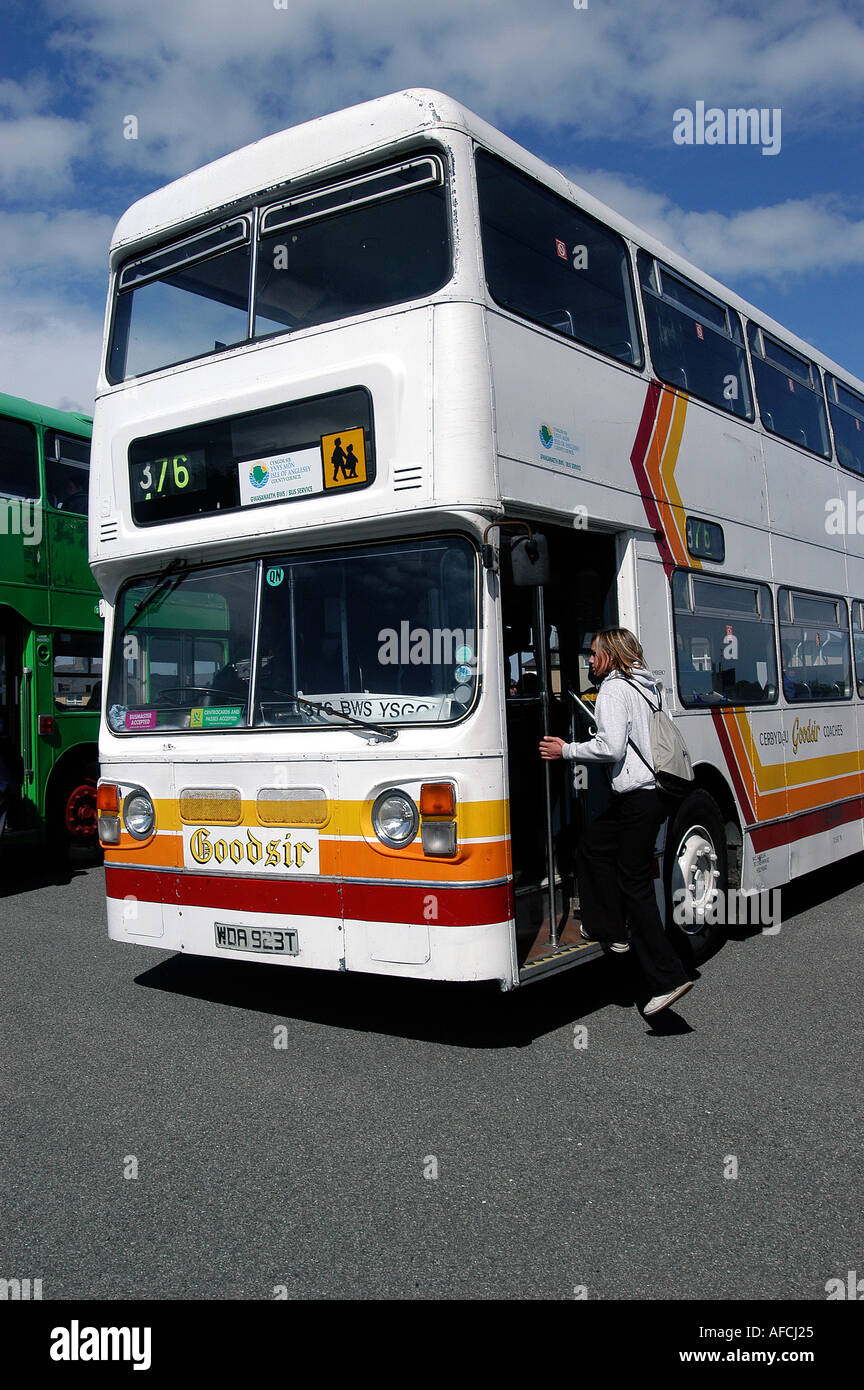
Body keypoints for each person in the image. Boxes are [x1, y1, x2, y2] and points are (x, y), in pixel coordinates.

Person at [539, 627, 694, 1018]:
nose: (589, 660)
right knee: (592, 846)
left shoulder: (612, 689)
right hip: (653, 794)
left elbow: (611, 747)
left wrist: (566, 750)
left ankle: (667, 977)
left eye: (594, 654)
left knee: (634, 884)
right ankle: (611, 930)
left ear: (610, 655)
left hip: (638, 797)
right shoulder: (645, 684)